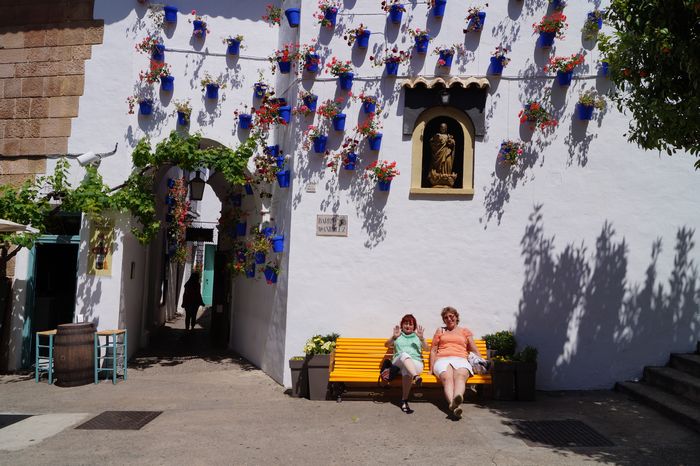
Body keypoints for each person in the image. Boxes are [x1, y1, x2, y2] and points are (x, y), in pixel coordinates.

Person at [429, 306, 483, 419]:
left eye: (451, 316)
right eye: (446, 317)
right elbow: (433, 350)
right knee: (447, 378)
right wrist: (431, 369)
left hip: (461, 358)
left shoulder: (465, 331)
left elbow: (474, 349)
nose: (449, 319)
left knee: (460, 376)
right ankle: (454, 403)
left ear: (456, 317)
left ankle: (454, 404)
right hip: (442, 359)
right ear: (443, 320)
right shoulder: (440, 331)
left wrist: (482, 362)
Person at [384, 314, 429, 414]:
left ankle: (404, 400)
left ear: (414, 326)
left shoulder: (418, 337)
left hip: (415, 364)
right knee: (404, 355)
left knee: (406, 370)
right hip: (398, 364)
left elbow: (427, 349)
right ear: (402, 325)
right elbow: (386, 345)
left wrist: (422, 339)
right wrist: (394, 337)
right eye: (406, 323)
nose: (408, 326)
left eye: (410, 324)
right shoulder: (398, 335)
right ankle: (416, 377)